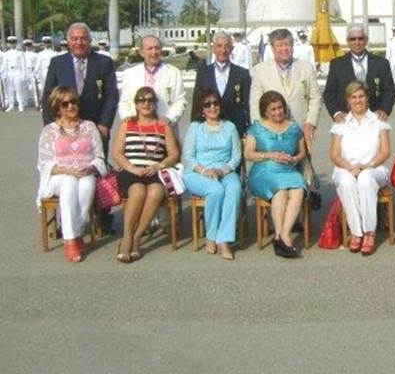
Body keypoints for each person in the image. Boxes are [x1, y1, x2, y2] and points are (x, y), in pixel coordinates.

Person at [42, 22, 120, 234]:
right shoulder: (57, 63)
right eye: (74, 38)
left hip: (95, 129)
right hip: (64, 129)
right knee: (68, 176)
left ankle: (102, 217)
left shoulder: (103, 62)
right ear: (68, 41)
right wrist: (51, 128)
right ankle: (68, 221)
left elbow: (112, 95)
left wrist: (104, 123)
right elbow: (48, 96)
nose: (79, 42)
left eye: (83, 38)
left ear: (90, 40)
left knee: (98, 172)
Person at [37, 86, 107, 262]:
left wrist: (91, 168)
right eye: (65, 104)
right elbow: (44, 163)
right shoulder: (49, 130)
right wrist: (66, 170)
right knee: (69, 182)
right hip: (58, 176)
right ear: (57, 107)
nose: (70, 106)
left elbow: (99, 156)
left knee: (87, 184)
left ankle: (77, 232)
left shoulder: (89, 126)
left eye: (73, 102)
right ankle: (70, 240)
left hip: (84, 173)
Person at [111, 86, 181, 262]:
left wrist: (159, 165)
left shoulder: (163, 125)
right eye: (141, 100)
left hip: (154, 171)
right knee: (138, 191)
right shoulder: (127, 124)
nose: (146, 103)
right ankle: (127, 237)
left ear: (155, 104)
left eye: (150, 100)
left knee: (156, 192)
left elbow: (174, 154)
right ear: (135, 104)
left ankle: (137, 237)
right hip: (130, 170)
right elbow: (117, 153)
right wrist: (132, 168)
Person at [329, 81, 391, 255]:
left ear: (367, 98)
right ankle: (356, 232)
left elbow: (385, 152)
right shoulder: (340, 123)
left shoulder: (379, 121)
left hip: (374, 167)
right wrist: (350, 168)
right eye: (353, 97)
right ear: (348, 100)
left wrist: (366, 166)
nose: (358, 101)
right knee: (347, 182)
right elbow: (334, 154)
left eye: (361, 96)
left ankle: (369, 232)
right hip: (345, 167)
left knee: (365, 179)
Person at [244, 90, 307, 258]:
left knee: (298, 189)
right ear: (265, 111)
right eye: (273, 109)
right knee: (281, 191)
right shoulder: (256, 128)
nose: (278, 112)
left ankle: (282, 236)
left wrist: (294, 159)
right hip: (265, 170)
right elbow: (248, 154)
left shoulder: (294, 127)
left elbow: (302, 152)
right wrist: (269, 155)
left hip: (288, 169)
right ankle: (281, 236)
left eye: (280, 107)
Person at [182, 89, 242, 260]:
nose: (212, 107)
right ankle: (211, 235)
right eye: (207, 104)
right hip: (198, 172)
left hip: (224, 170)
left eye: (215, 103)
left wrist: (223, 170)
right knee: (216, 190)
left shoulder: (230, 127)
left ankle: (224, 240)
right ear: (202, 109)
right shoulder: (195, 127)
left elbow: (236, 155)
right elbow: (188, 156)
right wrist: (204, 171)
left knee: (234, 188)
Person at [250, 28, 321, 149]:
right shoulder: (260, 70)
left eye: (288, 44)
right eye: (279, 45)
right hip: (271, 136)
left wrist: (310, 123)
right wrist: (259, 131)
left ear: (293, 46)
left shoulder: (306, 68)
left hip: (301, 133)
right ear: (272, 48)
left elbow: (315, 98)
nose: (284, 49)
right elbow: (255, 103)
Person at [323, 23, 395, 124]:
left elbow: (390, 90)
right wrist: (336, 113)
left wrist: (384, 110)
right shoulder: (337, 65)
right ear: (348, 41)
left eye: (360, 38)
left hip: (375, 119)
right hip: (346, 120)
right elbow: (329, 93)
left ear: (366, 40)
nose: (357, 42)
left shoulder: (381, 63)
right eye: (353, 39)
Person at [118, 35, 188, 131]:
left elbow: (180, 101)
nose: (154, 52)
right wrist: (127, 117)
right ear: (141, 52)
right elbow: (124, 101)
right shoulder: (130, 74)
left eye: (157, 48)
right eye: (150, 49)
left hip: (164, 128)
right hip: (136, 129)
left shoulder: (173, 72)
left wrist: (169, 118)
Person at [192, 31, 251, 138]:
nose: (223, 50)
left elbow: (248, 105)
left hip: (236, 129)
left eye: (227, 46)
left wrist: (250, 131)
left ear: (231, 49)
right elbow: (197, 103)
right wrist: (194, 129)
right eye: (219, 46)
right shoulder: (203, 73)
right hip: (209, 130)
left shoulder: (242, 74)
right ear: (213, 48)